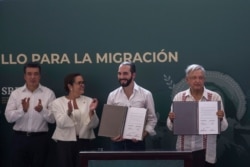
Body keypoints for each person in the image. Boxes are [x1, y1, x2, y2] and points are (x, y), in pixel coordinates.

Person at [166, 64, 228, 167]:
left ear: (204, 79)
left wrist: (220, 119)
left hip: (207, 153)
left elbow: (224, 127)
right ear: (187, 80)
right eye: (193, 77)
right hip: (184, 151)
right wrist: (172, 119)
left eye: (200, 77)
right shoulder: (179, 97)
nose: (197, 80)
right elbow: (170, 127)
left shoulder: (214, 97)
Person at [4, 61, 56, 167]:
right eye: (29, 74)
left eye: (36, 74)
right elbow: (8, 117)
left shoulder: (48, 93)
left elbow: (53, 119)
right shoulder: (16, 93)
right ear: (24, 76)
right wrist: (22, 111)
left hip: (40, 140)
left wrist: (42, 110)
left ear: (40, 76)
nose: (33, 77)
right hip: (19, 139)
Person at [107, 61, 157, 151]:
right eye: (119, 74)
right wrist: (111, 136)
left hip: (137, 144)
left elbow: (152, 119)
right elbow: (109, 121)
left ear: (133, 75)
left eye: (125, 73)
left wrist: (143, 134)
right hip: (117, 144)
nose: (122, 77)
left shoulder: (146, 94)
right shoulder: (112, 95)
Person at [51, 73, 99, 167]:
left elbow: (94, 125)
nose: (82, 85)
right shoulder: (58, 102)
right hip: (65, 144)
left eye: (83, 82)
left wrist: (92, 112)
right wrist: (68, 112)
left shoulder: (89, 101)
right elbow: (60, 123)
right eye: (79, 83)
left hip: (84, 143)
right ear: (70, 86)